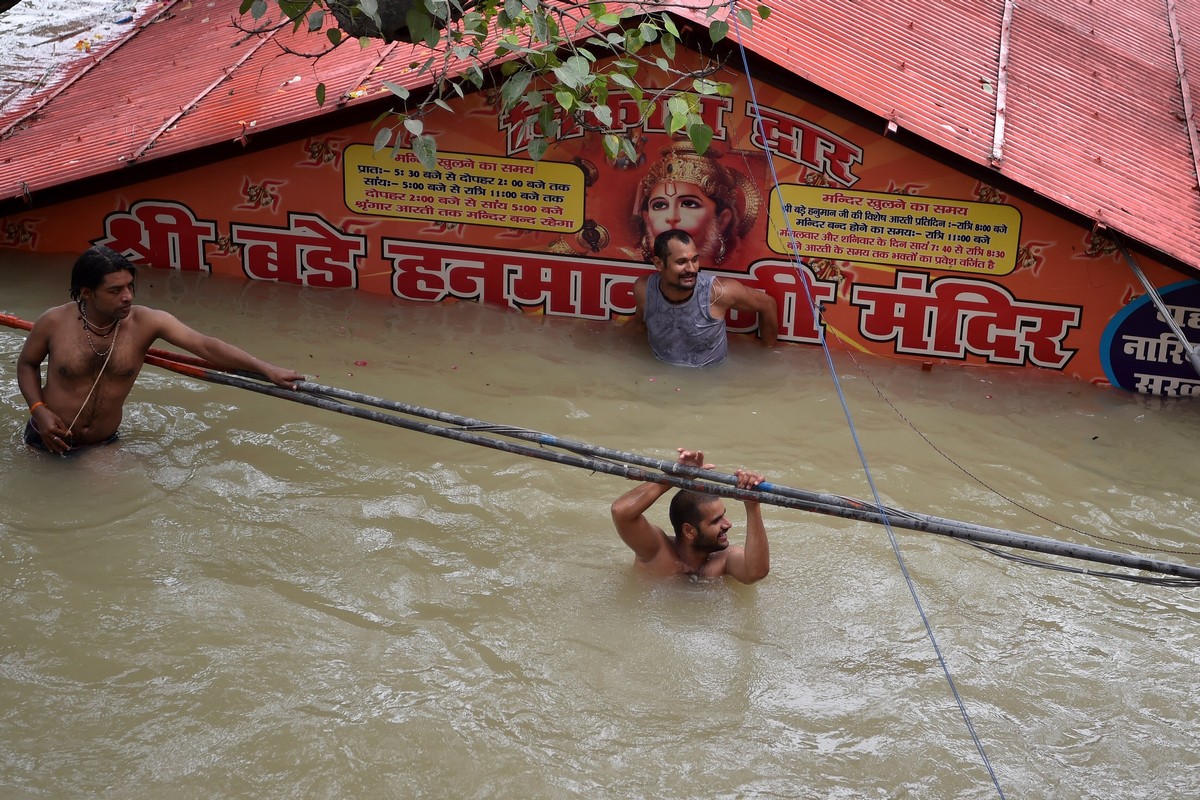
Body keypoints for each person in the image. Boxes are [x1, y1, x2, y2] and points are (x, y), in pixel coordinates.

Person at [17, 244, 304, 455]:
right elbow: (27, 364)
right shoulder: (53, 321)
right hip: (46, 436)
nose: (127, 297)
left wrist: (266, 368)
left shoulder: (147, 322)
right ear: (87, 292)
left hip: (101, 444)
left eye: (130, 286)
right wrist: (38, 409)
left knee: (106, 511)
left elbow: (205, 345)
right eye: (115, 291)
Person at [610, 448, 770, 583]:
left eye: (723, 516)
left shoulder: (724, 560)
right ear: (689, 531)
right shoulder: (657, 550)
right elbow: (621, 511)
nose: (728, 524)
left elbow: (756, 572)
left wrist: (752, 505)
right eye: (716, 520)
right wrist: (673, 478)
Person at [632, 229, 779, 367]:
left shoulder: (719, 292)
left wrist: (768, 355)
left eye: (694, 260)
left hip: (710, 381)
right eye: (681, 262)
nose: (691, 269)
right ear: (659, 263)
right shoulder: (644, 290)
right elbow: (640, 325)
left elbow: (768, 304)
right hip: (661, 375)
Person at [631, 141, 762, 268]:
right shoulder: (641, 281)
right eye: (659, 205)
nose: (671, 217)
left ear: (722, 220)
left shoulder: (723, 287)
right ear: (647, 219)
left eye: (689, 204)